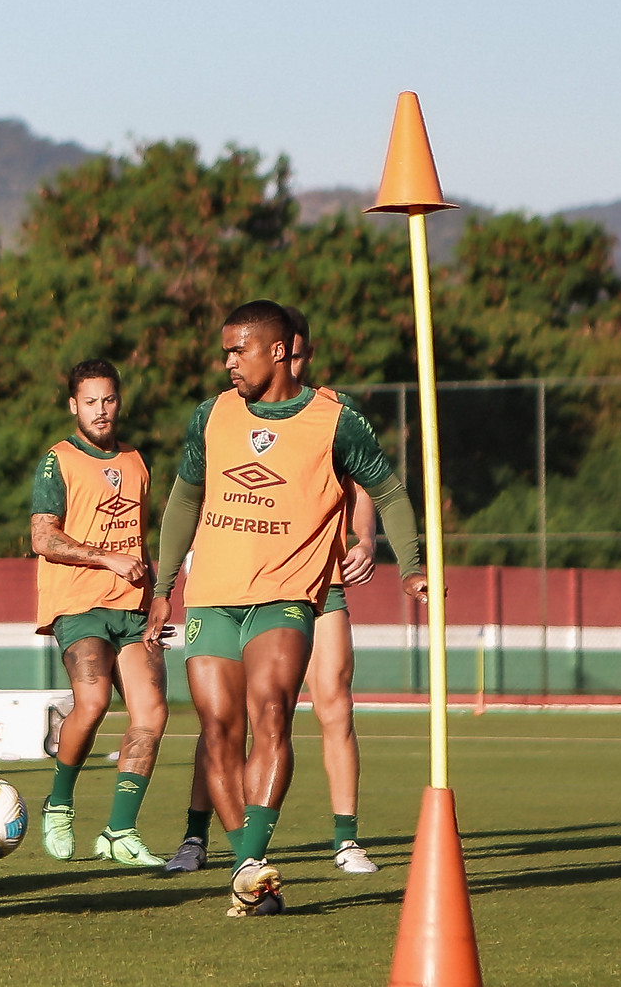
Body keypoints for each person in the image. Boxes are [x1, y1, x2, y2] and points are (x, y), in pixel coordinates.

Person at [142, 299, 426, 916]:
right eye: (224, 351)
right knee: (218, 731)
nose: (227, 363)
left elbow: (391, 492)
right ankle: (249, 868)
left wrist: (411, 568)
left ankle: (257, 852)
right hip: (211, 597)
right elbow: (184, 502)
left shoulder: (335, 421)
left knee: (272, 711)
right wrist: (163, 587)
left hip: (285, 597)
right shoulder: (211, 416)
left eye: (236, 350)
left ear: (277, 350)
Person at [29, 358, 169, 866]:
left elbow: (140, 539)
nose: (101, 410)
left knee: (152, 715)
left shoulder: (136, 460)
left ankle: (119, 831)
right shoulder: (58, 460)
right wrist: (103, 556)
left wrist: (157, 594)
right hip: (79, 603)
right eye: (90, 401)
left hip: (133, 607)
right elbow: (42, 536)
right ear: (74, 406)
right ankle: (59, 803)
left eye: (108, 399)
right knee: (91, 703)